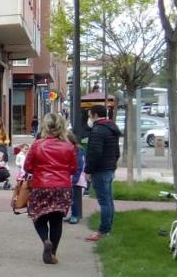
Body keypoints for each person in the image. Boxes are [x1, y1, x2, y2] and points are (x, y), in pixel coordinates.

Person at [22, 113, 79, 264]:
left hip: (41, 185)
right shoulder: (69, 146)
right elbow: (73, 169)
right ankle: (52, 253)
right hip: (62, 187)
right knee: (56, 220)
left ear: (45, 126)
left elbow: (27, 167)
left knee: (38, 215)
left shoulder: (37, 145)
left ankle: (45, 240)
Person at [84, 105, 121, 241]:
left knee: (104, 201)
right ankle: (107, 228)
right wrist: (113, 165)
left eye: (89, 115)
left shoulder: (98, 130)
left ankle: (103, 231)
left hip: (100, 170)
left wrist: (88, 170)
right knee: (108, 200)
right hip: (109, 168)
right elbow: (116, 152)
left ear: (94, 115)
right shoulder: (111, 128)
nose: (89, 118)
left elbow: (95, 152)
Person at [67, 131, 86, 224]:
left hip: (76, 178)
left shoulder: (78, 151)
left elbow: (79, 166)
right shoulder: (72, 149)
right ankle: (73, 214)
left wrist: (74, 179)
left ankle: (75, 215)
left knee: (74, 198)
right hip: (72, 177)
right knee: (71, 198)